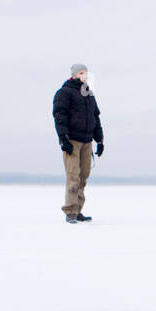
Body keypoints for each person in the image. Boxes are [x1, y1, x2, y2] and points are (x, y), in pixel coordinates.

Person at [52, 63, 105, 223]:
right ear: (74, 75)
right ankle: (70, 212)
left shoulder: (89, 94)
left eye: (86, 73)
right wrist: (63, 138)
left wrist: (100, 140)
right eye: (82, 73)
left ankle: (78, 210)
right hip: (72, 140)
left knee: (83, 176)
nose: (85, 76)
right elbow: (59, 115)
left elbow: (95, 117)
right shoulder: (64, 93)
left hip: (87, 140)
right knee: (73, 176)